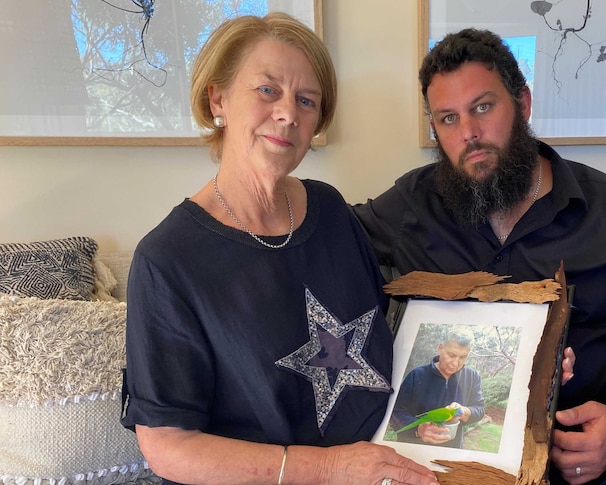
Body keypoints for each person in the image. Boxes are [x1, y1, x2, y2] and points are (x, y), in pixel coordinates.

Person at [352, 28, 606, 484]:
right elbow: (320, 243)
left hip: (596, 444)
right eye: (448, 118)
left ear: (522, 104)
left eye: (483, 107)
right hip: (453, 456)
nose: (468, 133)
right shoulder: (412, 204)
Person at [120, 13, 439, 485]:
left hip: (392, 464)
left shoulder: (330, 210)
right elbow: (168, 446)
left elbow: (388, 333)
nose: (289, 113)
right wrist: (331, 469)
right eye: (268, 90)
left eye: (306, 100)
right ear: (218, 98)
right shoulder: (167, 260)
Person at [389, 329, 485, 448]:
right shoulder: (416, 375)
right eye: (451, 355)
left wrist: (464, 411)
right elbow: (396, 412)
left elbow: (479, 409)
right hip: (414, 448)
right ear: (440, 348)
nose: (455, 363)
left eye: (463, 357)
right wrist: (418, 428)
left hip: (452, 451)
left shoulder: (472, 377)